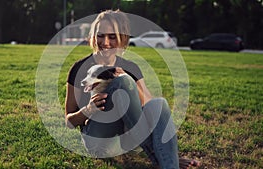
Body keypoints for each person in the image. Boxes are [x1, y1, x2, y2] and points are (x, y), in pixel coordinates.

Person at [65, 9, 200, 169]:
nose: (105, 42)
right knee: (122, 83)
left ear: (122, 39)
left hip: (126, 141)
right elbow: (69, 122)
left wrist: (130, 81)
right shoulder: (80, 68)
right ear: (93, 36)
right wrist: (88, 110)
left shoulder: (130, 67)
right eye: (100, 35)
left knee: (159, 104)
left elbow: (151, 110)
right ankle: (162, 158)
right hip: (98, 141)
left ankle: (170, 165)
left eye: (112, 36)